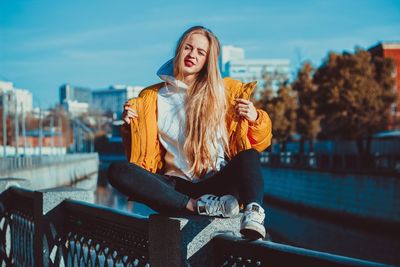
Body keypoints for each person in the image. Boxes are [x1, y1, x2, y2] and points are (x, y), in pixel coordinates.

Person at [107, 26, 272, 239]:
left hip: (219, 184)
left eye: (200, 52)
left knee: (249, 155)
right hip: (176, 190)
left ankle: (253, 213)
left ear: (208, 60)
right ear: (179, 50)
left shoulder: (226, 92)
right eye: (188, 47)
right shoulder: (151, 97)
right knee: (117, 171)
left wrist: (255, 119)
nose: (192, 55)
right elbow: (139, 154)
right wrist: (130, 127)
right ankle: (196, 206)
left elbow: (260, 143)